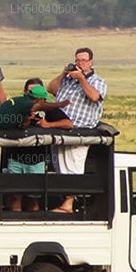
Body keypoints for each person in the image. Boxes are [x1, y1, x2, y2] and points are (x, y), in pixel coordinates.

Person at [0, 79, 72, 211]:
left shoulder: (42, 108)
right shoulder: (22, 105)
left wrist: (48, 124)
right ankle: (15, 221)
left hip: (37, 160)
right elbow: (21, 124)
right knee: (15, 196)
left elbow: (68, 124)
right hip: (15, 158)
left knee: (33, 198)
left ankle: (32, 223)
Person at [46, 47, 107, 213]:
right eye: (77, 60)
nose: (79, 63)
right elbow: (50, 89)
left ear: (91, 62)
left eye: (83, 60)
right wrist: (63, 74)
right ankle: (64, 203)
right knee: (60, 165)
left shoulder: (97, 81)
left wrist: (81, 79)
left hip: (80, 131)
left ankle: (69, 204)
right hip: (60, 127)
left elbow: (94, 97)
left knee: (73, 165)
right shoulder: (67, 80)